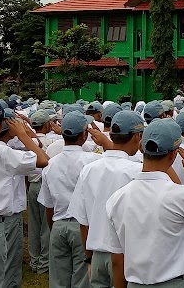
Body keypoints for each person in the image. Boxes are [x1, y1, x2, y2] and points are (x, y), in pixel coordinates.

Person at [105, 118, 184, 288]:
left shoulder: (116, 199)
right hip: (175, 283)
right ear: (174, 154)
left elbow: (117, 260)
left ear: (141, 148)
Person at [68, 111, 145, 288]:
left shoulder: (89, 169)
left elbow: (83, 221)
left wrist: (88, 259)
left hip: (97, 254)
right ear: (137, 136)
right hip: (127, 256)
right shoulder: (137, 170)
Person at [38, 111, 104, 288]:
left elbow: (49, 205)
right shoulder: (93, 161)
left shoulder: (51, 163)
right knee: (82, 279)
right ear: (84, 134)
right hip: (82, 226)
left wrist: (54, 228)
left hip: (59, 224)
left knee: (58, 279)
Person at [0, 103, 50, 288]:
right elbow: (43, 159)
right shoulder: (3, 152)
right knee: (7, 273)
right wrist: (23, 134)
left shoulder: (7, 151)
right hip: (4, 222)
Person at [27, 110, 56, 275]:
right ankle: (44, 263)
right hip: (46, 185)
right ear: (47, 124)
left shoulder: (27, 142)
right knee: (46, 227)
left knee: (34, 225)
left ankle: (35, 260)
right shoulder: (52, 141)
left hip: (32, 186)